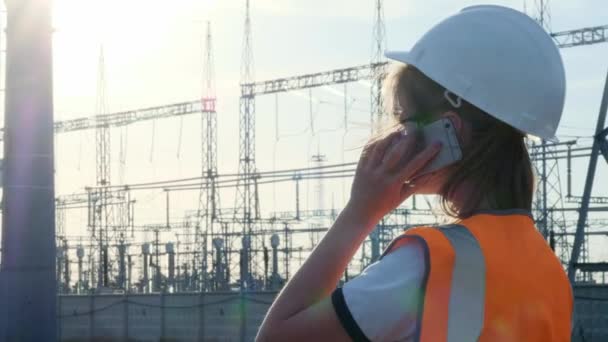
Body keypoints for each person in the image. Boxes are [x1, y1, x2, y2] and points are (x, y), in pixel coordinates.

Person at [256, 5, 572, 342]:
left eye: (406, 119)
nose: (398, 135)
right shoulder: (549, 270)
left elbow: (275, 337)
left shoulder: (430, 265)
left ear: (450, 128)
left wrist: (360, 212)